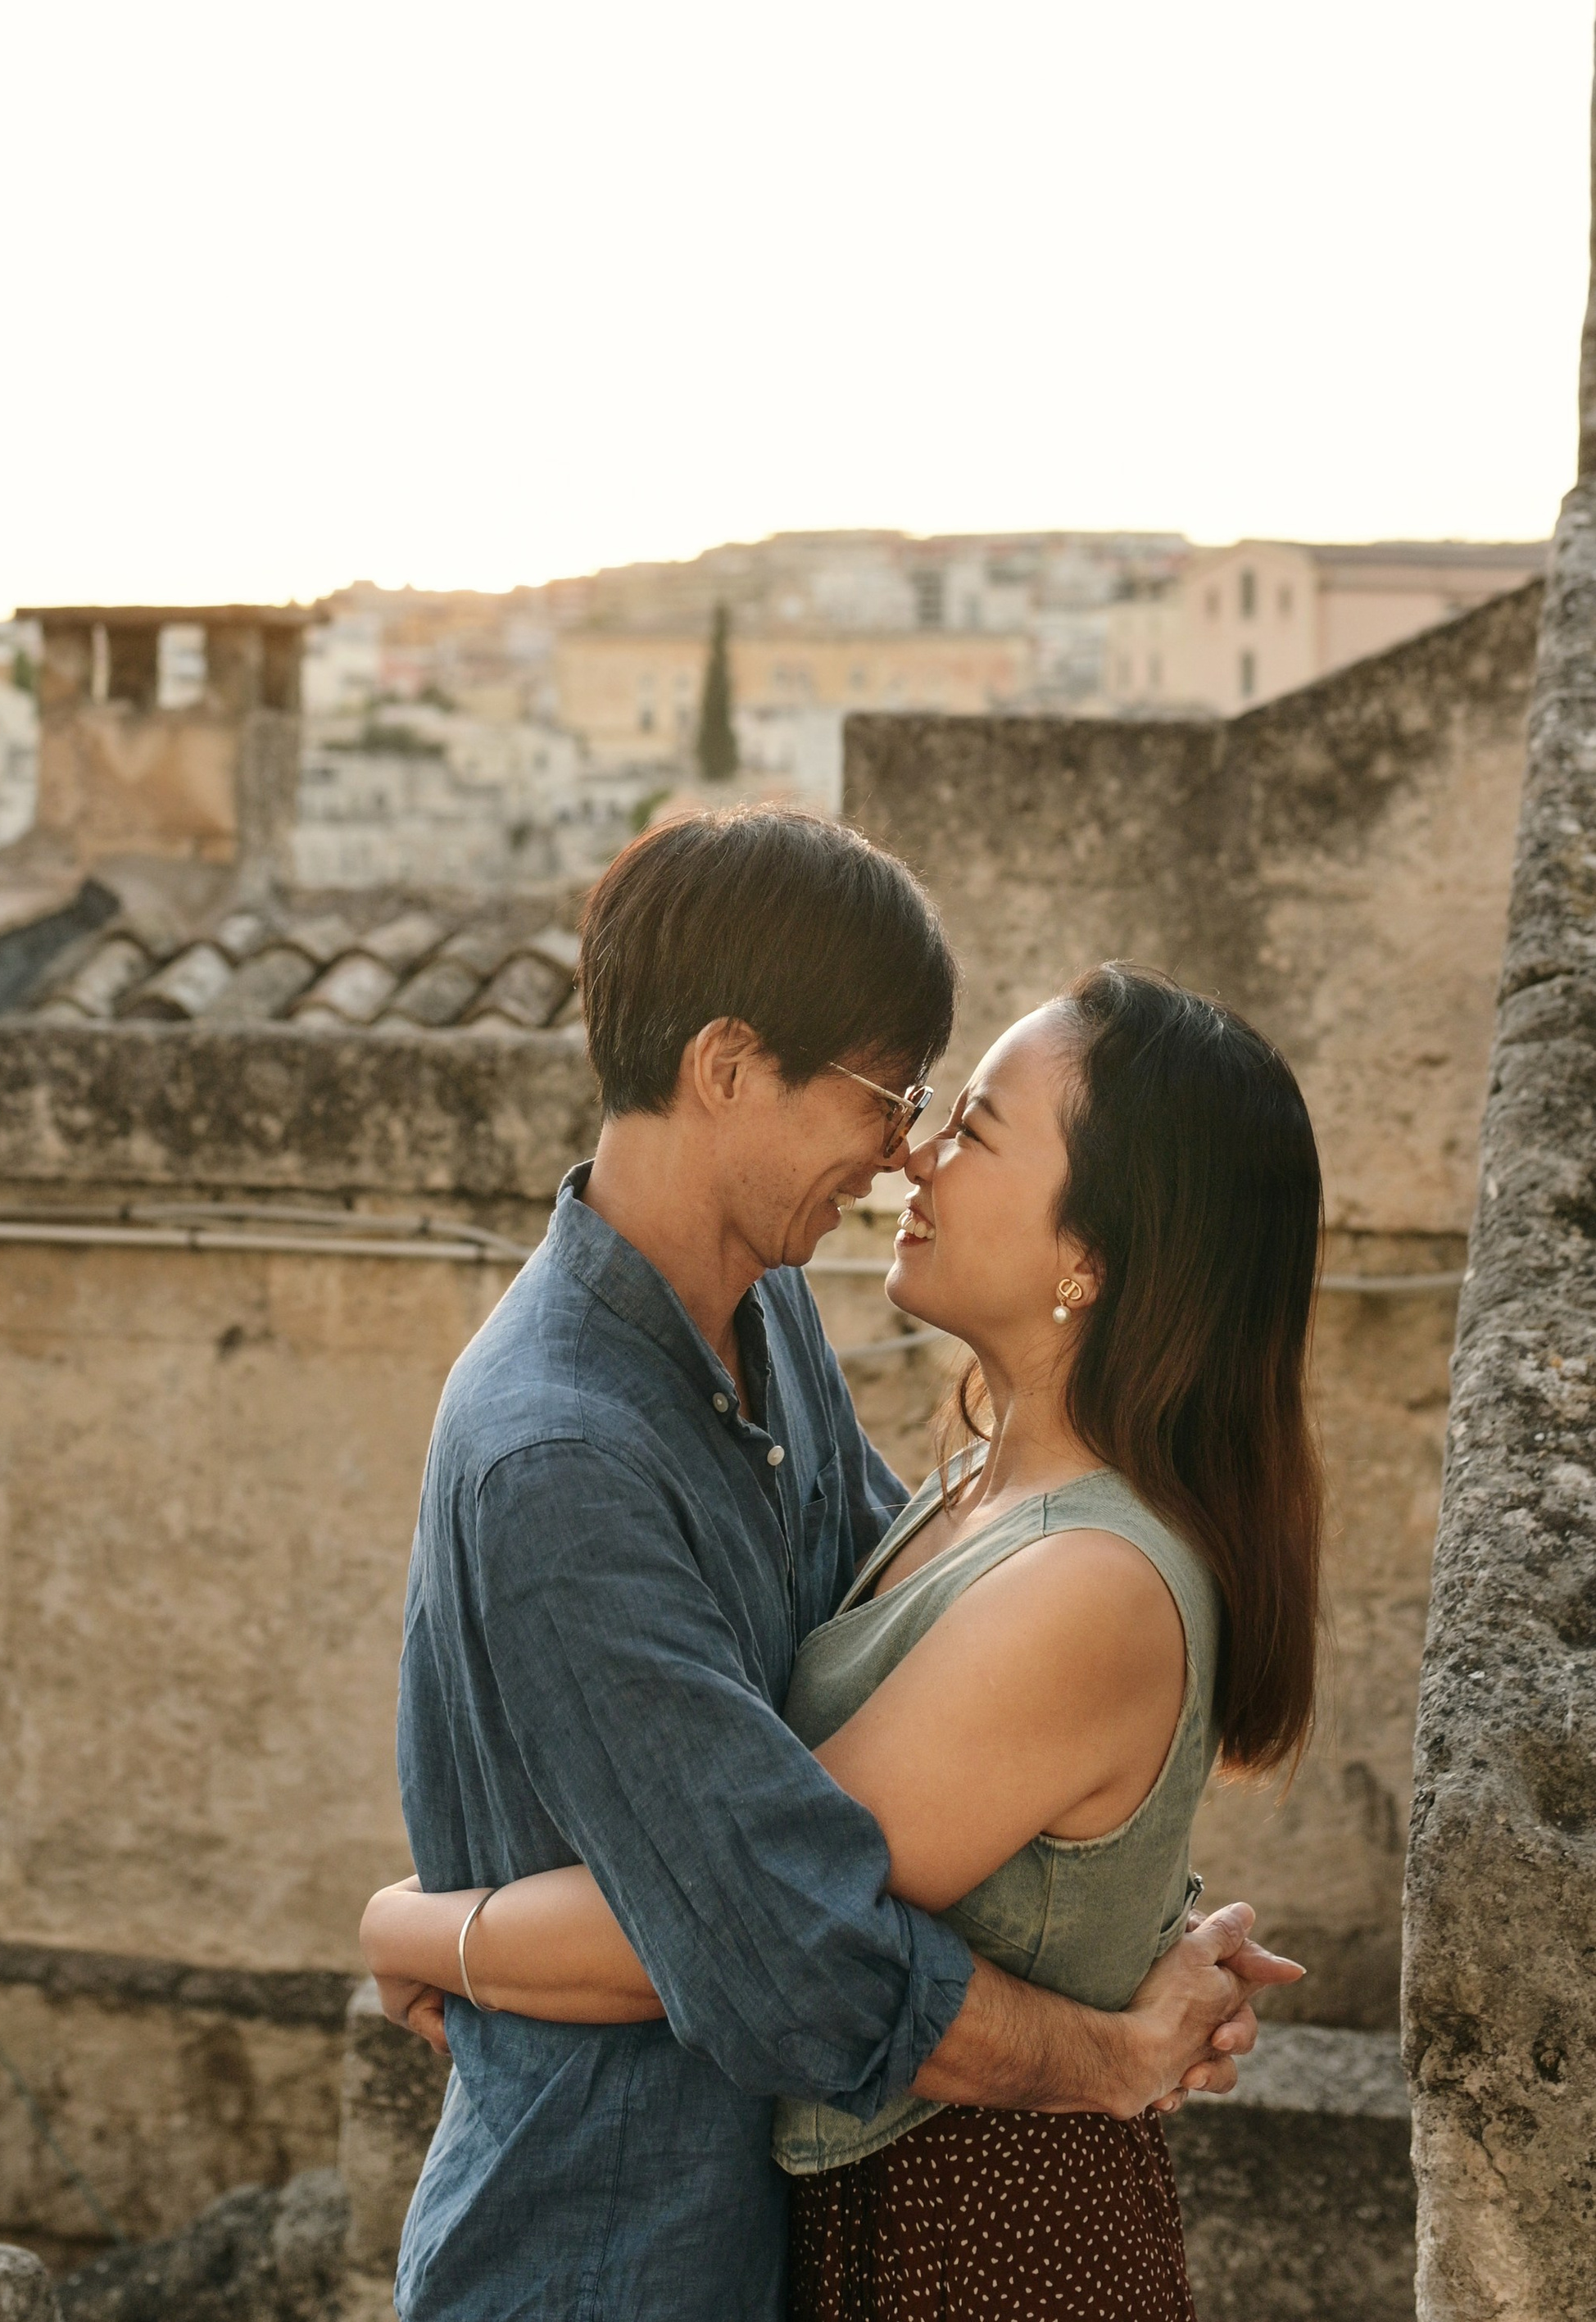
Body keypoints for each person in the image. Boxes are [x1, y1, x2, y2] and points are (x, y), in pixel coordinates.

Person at [367, 813, 1301, 2320]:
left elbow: (911, 1714)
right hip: (606, 2249)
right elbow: (782, 1937)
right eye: (889, 1095)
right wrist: (1106, 2043)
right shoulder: (563, 1453)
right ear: (729, 1067)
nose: (902, 1151)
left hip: (830, 2228)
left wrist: (427, 1931)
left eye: (946, 1112)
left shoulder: (770, 1320)